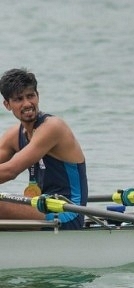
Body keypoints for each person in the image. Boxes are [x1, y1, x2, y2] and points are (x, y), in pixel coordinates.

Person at [0, 68, 88, 229]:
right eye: (19, 99)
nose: (27, 104)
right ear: (7, 104)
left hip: (68, 213)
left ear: (38, 96)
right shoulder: (14, 135)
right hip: (42, 208)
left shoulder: (53, 127)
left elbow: (10, 171)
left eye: (30, 96)